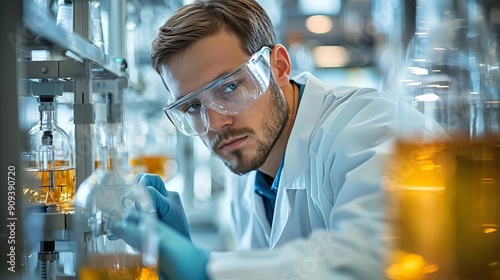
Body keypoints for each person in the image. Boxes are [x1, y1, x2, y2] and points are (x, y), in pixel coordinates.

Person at [110, 0, 441, 279]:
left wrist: (208, 268)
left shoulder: (370, 126)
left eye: (230, 87)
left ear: (278, 67)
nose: (215, 123)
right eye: (193, 106)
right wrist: (193, 252)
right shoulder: (247, 175)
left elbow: (382, 256)